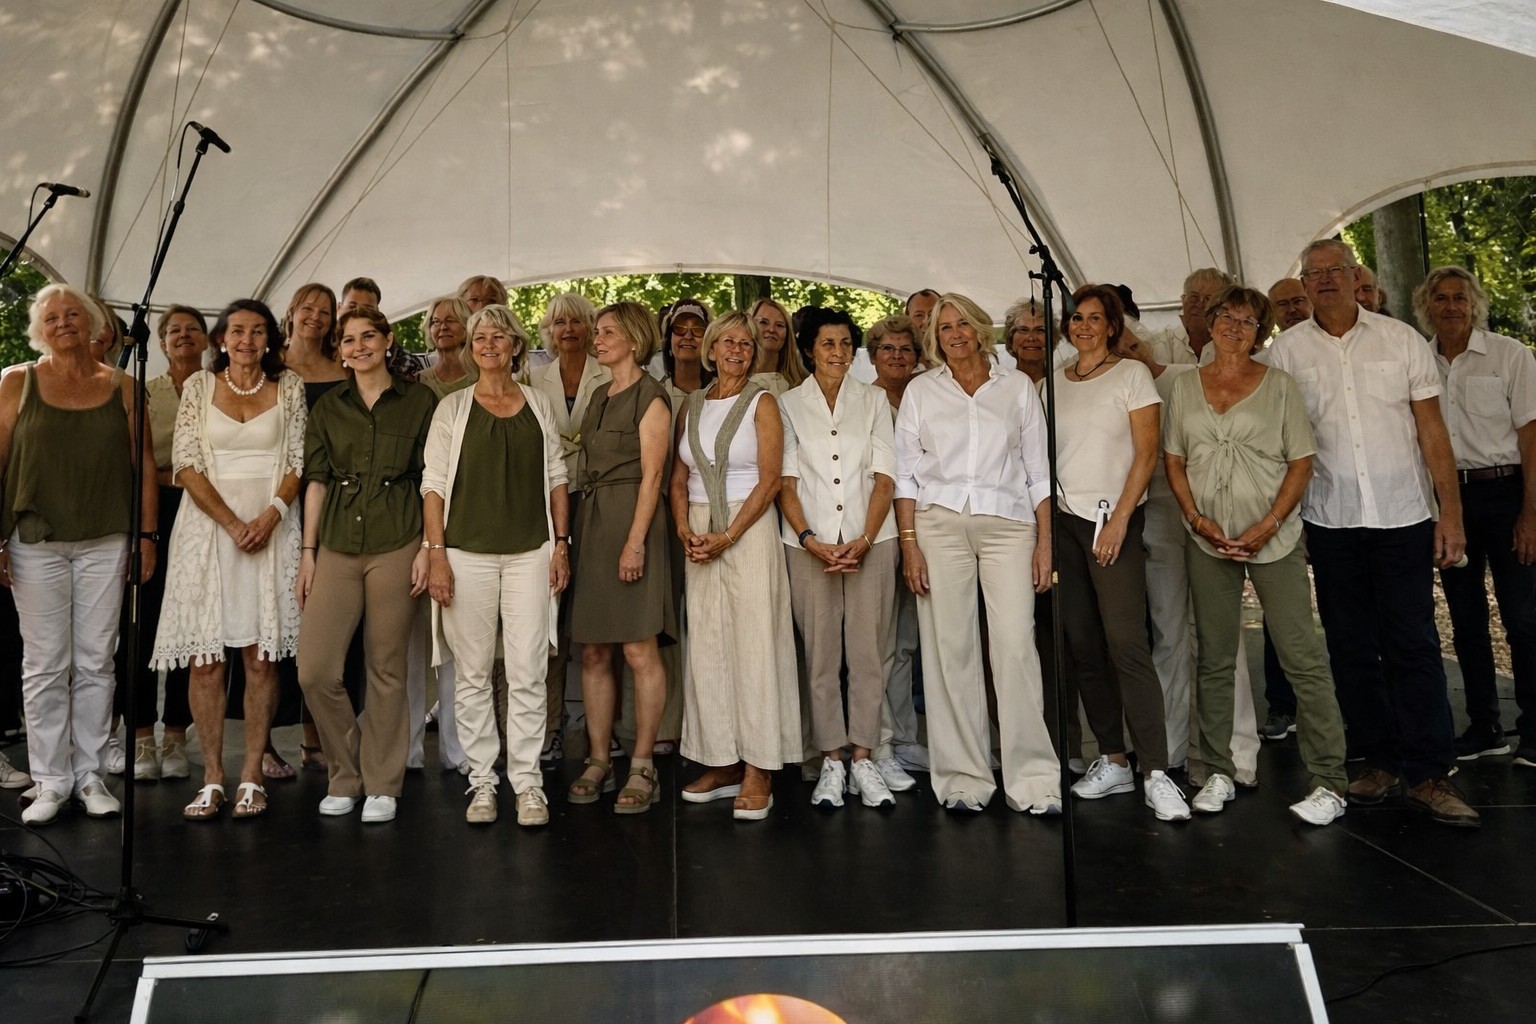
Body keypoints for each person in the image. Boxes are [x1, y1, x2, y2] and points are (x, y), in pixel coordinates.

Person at [1268, 239, 1477, 827]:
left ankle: (1430, 773)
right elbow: (1283, 445)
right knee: (1351, 648)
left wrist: (1450, 514)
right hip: (1330, 520)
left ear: (1358, 277)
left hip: (1403, 517)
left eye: (1337, 270)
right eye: (1314, 273)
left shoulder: (1400, 339)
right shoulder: (1286, 353)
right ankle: (1379, 763)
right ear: (1303, 285)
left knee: (1413, 644)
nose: (1326, 280)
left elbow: (1433, 431)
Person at [1163, 285, 1349, 824]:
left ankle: (1329, 782)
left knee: (1302, 658)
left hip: (1276, 539)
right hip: (1207, 538)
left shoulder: (1280, 385)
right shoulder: (1184, 386)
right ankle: (1218, 769)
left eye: (1248, 321)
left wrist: (1267, 525)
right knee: (1217, 657)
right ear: (1211, 320)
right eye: (1227, 316)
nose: (1235, 327)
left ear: (1261, 331)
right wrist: (1198, 520)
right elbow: (1174, 461)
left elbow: (1301, 463)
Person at [894, 292, 1059, 814]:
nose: (956, 334)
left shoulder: (1017, 389)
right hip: (937, 528)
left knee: (1014, 646)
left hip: (1009, 527)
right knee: (950, 652)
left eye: (963, 323)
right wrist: (909, 546)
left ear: (980, 327)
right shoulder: (922, 391)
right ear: (934, 338)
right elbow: (904, 474)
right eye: (945, 328)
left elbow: (1038, 473)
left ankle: (1033, 780)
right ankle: (964, 777)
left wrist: (1045, 544)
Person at [0, 284, 156, 825]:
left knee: (96, 661)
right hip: (33, 539)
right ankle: (49, 779)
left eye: (73, 314)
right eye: (52, 316)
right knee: (44, 664)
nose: (64, 322)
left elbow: (145, 468)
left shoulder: (123, 386)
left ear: (94, 324)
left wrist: (146, 537)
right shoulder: (16, 382)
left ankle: (89, 774)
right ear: (38, 329)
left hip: (107, 538)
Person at [152, 300, 305, 821]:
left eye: (257, 331)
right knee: (206, 661)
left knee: (261, 658)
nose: (246, 340)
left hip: (272, 530)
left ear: (269, 340)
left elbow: (297, 463)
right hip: (208, 534)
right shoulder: (198, 387)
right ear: (221, 339)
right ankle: (213, 776)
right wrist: (233, 523)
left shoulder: (290, 387)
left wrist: (270, 516)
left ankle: (252, 775)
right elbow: (188, 465)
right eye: (237, 331)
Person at [422, 304, 570, 827]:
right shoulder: (454, 409)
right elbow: (433, 487)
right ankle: (482, 780)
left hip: (531, 551)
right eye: (480, 337)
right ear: (471, 346)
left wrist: (562, 543)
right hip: (464, 555)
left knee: (529, 671)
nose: (489, 344)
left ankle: (527, 783)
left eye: (498, 336)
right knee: (474, 674)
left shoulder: (536, 403)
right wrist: (436, 554)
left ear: (514, 346)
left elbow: (557, 476)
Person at [1050, 285, 1189, 821]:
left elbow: (1146, 452)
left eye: (1094, 318)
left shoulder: (1132, 376)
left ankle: (1156, 770)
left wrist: (1121, 520)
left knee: (1127, 643)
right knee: (1084, 646)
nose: (1083, 326)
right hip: (1064, 525)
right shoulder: (1052, 383)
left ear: (1112, 325)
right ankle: (1113, 760)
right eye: (1076, 318)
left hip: (1112, 524)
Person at [296, 308, 436, 823]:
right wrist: (307, 556)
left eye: (367, 337)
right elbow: (315, 481)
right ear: (340, 350)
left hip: (398, 540)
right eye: (348, 341)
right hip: (335, 542)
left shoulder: (420, 401)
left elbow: (431, 481)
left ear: (387, 339)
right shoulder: (329, 407)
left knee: (386, 668)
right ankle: (345, 770)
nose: (358, 347)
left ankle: (382, 782)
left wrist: (428, 547)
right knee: (315, 670)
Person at [670, 311, 799, 821]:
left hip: (748, 529)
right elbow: (678, 477)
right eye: (729, 341)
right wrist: (684, 528)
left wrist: (728, 535)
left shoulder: (764, 402)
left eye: (746, 344)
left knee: (754, 643)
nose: (738, 350)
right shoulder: (694, 404)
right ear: (711, 347)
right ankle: (721, 759)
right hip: (700, 531)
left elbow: (770, 480)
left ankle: (759, 766)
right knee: (708, 645)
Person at [778, 307, 899, 809]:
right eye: (828, 344)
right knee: (821, 656)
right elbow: (784, 482)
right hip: (809, 546)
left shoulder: (873, 400)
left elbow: (886, 477)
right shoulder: (787, 404)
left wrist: (863, 540)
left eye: (847, 344)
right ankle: (831, 759)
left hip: (872, 541)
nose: (839, 353)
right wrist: (812, 539)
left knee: (869, 653)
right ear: (809, 349)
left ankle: (864, 759)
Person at [1417, 266, 1536, 766]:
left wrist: (1531, 514)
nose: (1450, 307)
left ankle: (1534, 731)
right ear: (1426, 306)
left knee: (1524, 619)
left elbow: (1531, 437)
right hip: (1450, 502)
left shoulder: (1510, 355)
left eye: (1459, 298)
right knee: (1465, 621)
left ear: (1475, 304)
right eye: (1440, 298)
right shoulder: (1416, 360)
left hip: (1506, 493)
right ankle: (1484, 725)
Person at [567, 302, 676, 812]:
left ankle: (642, 762)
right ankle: (597, 758)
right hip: (592, 524)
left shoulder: (651, 398)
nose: (597, 338)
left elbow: (654, 477)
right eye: (598, 331)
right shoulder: (596, 396)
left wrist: (634, 543)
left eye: (608, 332)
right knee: (592, 650)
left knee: (638, 650)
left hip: (633, 524)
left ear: (634, 340)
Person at [116, 305, 209, 782]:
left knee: (189, 626)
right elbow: (135, 461)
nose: (183, 336)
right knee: (143, 622)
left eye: (193, 329)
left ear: (208, 340)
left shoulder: (219, 391)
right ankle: (139, 735)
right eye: (174, 330)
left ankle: (176, 734)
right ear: (161, 342)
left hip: (203, 512)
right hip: (154, 510)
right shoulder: (142, 392)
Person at [527, 293, 611, 763]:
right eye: (559, 323)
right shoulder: (534, 381)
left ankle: (610, 730)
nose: (568, 330)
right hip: (551, 505)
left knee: (599, 620)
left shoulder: (608, 374)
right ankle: (550, 728)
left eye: (577, 322)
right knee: (550, 623)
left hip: (598, 503)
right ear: (548, 332)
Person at [862, 316, 925, 788]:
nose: (898, 356)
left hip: (934, 527)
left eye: (906, 349)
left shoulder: (929, 395)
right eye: (888, 349)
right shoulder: (865, 402)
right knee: (884, 642)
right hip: (884, 530)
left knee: (912, 641)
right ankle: (881, 740)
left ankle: (905, 737)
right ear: (873, 356)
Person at [1151, 268, 1234, 367]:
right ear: (1183, 300)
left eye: (1209, 299)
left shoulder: (1232, 342)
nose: (1199, 305)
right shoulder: (1162, 341)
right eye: (1194, 297)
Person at [417, 296, 476, 399]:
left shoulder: (481, 377)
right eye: (436, 321)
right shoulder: (419, 381)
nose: (443, 327)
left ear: (466, 326)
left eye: (450, 320)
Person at [748, 297, 809, 395]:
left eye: (779, 325)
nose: (771, 329)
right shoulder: (734, 379)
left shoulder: (804, 383)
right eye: (763, 322)